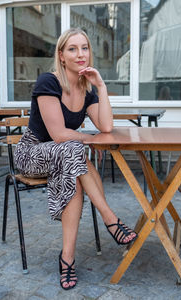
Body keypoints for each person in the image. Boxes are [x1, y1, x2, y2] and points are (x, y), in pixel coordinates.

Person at [14, 28, 138, 290]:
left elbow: (105, 126)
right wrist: (86, 141)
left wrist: (101, 86)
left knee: (74, 167)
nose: (80, 54)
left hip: (65, 158)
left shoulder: (87, 88)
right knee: (73, 149)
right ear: (61, 55)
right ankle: (110, 219)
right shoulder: (48, 82)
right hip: (32, 154)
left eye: (84, 48)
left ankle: (67, 258)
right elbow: (58, 134)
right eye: (72, 49)